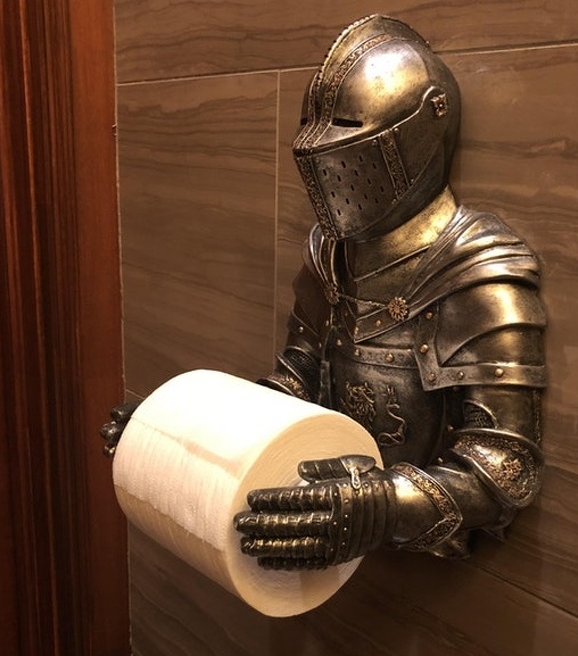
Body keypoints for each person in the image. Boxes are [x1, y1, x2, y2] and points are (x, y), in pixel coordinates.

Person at [230, 15, 546, 570]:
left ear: (423, 129)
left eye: (353, 158)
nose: (336, 181)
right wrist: (186, 429)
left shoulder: (476, 270)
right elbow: (297, 377)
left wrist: (386, 506)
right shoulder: (329, 254)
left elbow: (505, 466)